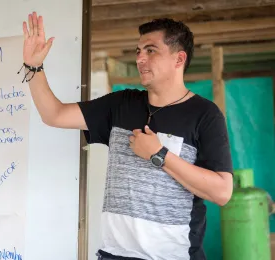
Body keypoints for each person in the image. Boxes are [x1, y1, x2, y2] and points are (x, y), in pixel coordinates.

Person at [21, 12, 233, 260]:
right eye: (138, 50)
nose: (140, 58)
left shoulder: (205, 114)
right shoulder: (122, 104)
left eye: (151, 50)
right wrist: (33, 67)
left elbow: (222, 192)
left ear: (179, 59)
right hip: (114, 255)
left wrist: (159, 155)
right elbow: (54, 114)